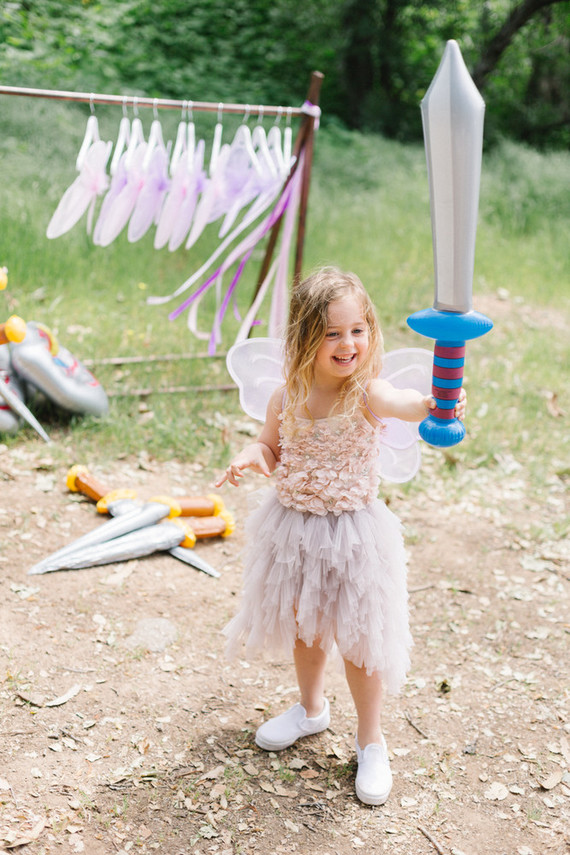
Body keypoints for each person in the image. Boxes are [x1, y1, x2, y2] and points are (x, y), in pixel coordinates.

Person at [215, 267, 466, 805]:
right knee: (307, 630)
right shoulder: (286, 397)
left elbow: (404, 402)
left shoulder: (367, 394)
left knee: (359, 639)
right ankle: (310, 709)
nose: (347, 343)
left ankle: (371, 741)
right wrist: (249, 457)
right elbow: (269, 447)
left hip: (354, 536)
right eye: (332, 333)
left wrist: (434, 404)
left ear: (370, 332)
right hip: (294, 532)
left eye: (357, 330)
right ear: (304, 339)